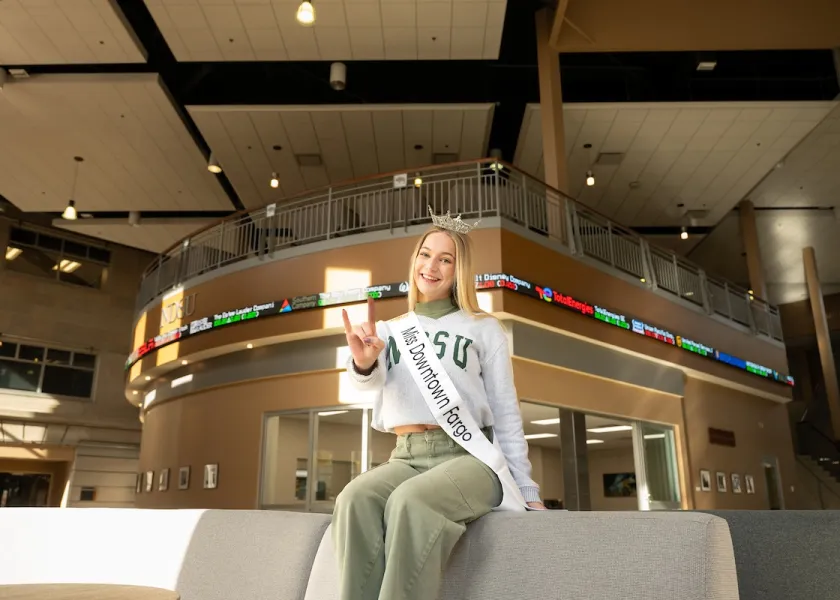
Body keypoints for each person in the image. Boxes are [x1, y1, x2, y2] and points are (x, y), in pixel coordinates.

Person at [333, 210, 544, 600]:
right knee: (353, 499)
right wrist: (363, 361)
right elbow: (370, 382)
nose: (431, 266)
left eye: (445, 259)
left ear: (459, 270)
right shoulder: (389, 331)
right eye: (425, 254)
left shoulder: (483, 328)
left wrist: (526, 486)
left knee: (411, 503)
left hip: (470, 457)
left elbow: (505, 410)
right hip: (406, 456)